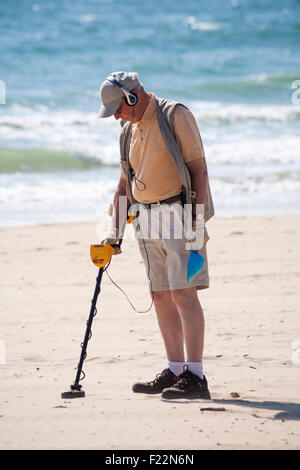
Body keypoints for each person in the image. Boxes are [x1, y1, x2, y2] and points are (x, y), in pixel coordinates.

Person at [97, 71, 214, 399]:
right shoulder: (128, 129)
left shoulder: (175, 115)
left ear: (132, 97)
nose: (116, 116)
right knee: (160, 296)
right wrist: (113, 232)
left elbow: (199, 170)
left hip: (180, 218)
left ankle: (197, 376)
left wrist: (197, 224)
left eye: (118, 108)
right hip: (146, 221)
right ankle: (175, 370)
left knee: (184, 294)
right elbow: (124, 184)